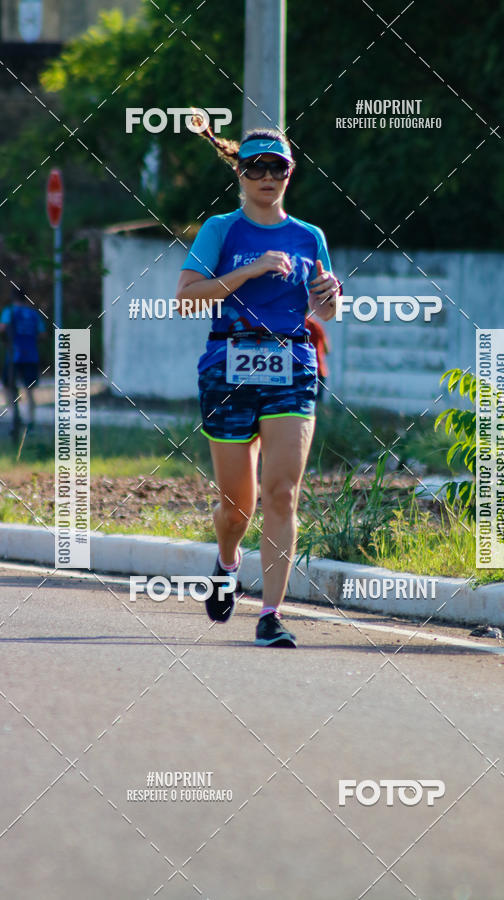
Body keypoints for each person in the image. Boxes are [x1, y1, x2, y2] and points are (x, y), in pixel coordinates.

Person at [176, 125, 340, 647]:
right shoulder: (222, 230)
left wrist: (329, 294)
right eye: (256, 168)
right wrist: (248, 270)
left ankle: (270, 615)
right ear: (240, 172)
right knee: (237, 506)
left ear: (291, 173)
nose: (267, 177)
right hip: (228, 365)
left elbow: (326, 311)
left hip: (292, 364)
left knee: (283, 493)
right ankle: (227, 562)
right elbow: (186, 296)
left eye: (278, 168)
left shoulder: (310, 235)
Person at [0, 286, 45, 435]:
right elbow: (42, 334)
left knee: (7, 385)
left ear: (12, 297)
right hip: (31, 355)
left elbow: (2, 328)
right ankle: (30, 421)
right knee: (30, 390)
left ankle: (14, 414)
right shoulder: (33, 314)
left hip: (14, 355)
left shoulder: (9, 311)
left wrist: (6, 342)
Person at [304, 316, 330, 400]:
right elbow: (327, 350)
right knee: (317, 402)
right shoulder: (317, 325)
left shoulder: (299, 325)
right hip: (320, 370)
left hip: (304, 370)